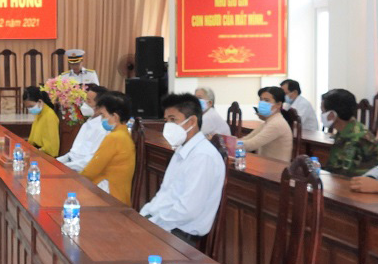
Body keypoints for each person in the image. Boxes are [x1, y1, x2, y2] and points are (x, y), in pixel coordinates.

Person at [140, 93, 225, 247]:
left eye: (173, 120)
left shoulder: (203, 156)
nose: (168, 125)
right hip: (164, 227)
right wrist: (145, 216)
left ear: (192, 121)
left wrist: (153, 224)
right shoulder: (182, 150)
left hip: (180, 236)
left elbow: (187, 210)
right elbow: (165, 193)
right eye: (166, 120)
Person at [80, 92, 136, 205]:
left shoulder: (115, 137)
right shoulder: (124, 135)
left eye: (103, 115)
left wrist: (75, 179)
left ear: (115, 117)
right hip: (117, 195)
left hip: (109, 196)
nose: (101, 119)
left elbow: (92, 170)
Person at [320, 89, 378, 176]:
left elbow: (344, 175)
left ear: (332, 115)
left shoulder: (358, 138)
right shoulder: (343, 132)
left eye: (323, 111)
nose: (321, 115)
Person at [57, 85, 109, 171]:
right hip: (72, 165)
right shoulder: (88, 122)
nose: (84, 103)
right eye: (85, 100)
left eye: (88, 101)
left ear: (100, 107)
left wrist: (66, 166)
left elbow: (90, 160)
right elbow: (73, 153)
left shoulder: (102, 128)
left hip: (82, 171)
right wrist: (57, 162)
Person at [239, 87, 292, 162]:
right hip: (265, 164)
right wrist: (230, 141)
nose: (262, 103)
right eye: (261, 99)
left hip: (276, 167)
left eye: (267, 100)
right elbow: (247, 139)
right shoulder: (269, 121)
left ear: (278, 104)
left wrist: (230, 143)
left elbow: (251, 145)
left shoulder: (276, 124)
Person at [23, 86, 59, 156]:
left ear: (40, 101)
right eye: (27, 107)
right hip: (37, 151)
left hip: (45, 156)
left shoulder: (49, 116)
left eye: (31, 106)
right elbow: (32, 140)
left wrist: (36, 152)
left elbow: (51, 149)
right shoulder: (39, 113)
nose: (30, 110)